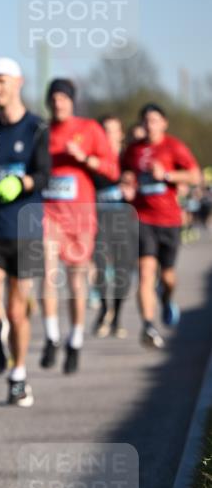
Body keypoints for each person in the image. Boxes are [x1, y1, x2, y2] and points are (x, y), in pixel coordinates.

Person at [0, 58, 50, 406]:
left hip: (27, 228)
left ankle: (18, 375)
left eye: (0, 81)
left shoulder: (37, 128)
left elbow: (45, 175)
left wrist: (22, 182)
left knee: (18, 311)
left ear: (18, 82)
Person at [40, 79, 118, 374]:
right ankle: (51, 336)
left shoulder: (89, 130)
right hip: (49, 214)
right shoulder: (42, 132)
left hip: (81, 216)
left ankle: (74, 340)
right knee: (46, 274)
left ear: (72, 101)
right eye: (54, 98)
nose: (58, 103)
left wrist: (85, 158)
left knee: (75, 282)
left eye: (63, 98)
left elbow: (112, 170)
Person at [121, 103, 200, 348]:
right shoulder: (133, 150)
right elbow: (123, 172)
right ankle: (148, 326)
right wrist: (126, 182)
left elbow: (195, 175)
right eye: (145, 121)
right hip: (142, 218)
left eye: (154, 120)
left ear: (164, 123)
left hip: (169, 219)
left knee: (167, 277)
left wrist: (167, 175)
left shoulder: (173, 146)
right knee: (145, 273)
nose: (149, 125)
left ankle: (166, 300)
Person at [92, 116, 138, 339]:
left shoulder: (129, 158)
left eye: (113, 131)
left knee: (123, 270)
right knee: (99, 266)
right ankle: (103, 308)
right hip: (98, 217)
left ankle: (117, 316)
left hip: (124, 218)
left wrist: (133, 190)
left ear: (121, 134)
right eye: (105, 131)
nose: (109, 135)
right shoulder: (95, 160)